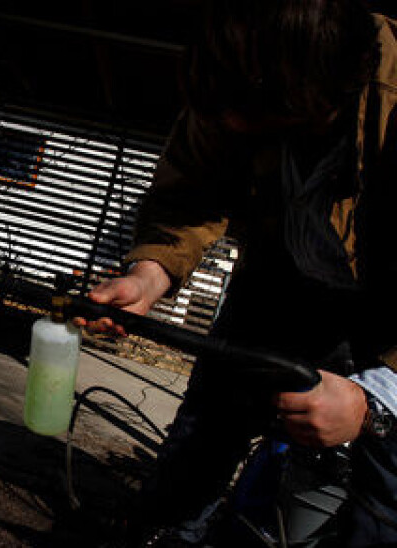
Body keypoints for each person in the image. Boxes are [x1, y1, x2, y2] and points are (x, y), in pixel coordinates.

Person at [80, 0, 397, 545]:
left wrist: (375, 400)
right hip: (277, 280)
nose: (227, 126)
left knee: (385, 486)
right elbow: (189, 195)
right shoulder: (237, 67)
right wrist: (148, 275)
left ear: (319, 97)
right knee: (202, 435)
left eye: (249, 118)